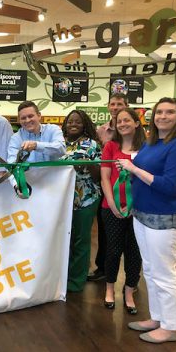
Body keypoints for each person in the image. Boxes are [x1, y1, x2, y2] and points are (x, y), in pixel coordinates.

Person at [119, 97, 176, 344]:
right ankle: (158, 318)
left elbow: (170, 185)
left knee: (164, 272)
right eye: (159, 112)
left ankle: (172, 327)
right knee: (150, 270)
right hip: (142, 215)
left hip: (166, 218)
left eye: (170, 112)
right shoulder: (153, 143)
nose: (163, 116)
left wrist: (133, 169)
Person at [100, 108, 145, 314]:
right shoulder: (110, 146)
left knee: (134, 253)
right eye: (119, 121)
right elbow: (105, 177)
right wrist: (112, 203)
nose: (122, 124)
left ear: (137, 123)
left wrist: (133, 205)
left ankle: (129, 291)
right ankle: (109, 289)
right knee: (113, 251)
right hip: (112, 209)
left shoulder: (146, 148)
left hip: (139, 210)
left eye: (127, 120)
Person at [88, 93, 129, 282]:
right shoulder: (100, 131)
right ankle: (102, 268)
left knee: (128, 236)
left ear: (126, 105)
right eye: (112, 104)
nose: (115, 107)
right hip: (103, 185)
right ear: (108, 107)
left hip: (127, 188)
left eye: (119, 104)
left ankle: (129, 275)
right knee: (104, 229)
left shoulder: (132, 132)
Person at [61, 109, 102, 292]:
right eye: (70, 122)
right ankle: (63, 276)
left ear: (84, 124)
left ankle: (77, 281)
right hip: (62, 199)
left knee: (80, 239)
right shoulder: (59, 143)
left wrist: (87, 164)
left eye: (77, 122)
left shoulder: (91, 144)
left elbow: (99, 174)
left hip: (86, 198)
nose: (73, 125)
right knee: (64, 240)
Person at [7, 100, 65, 193]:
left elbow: (61, 149)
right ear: (19, 120)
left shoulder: (53, 129)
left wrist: (36, 145)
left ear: (39, 115)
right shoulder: (15, 138)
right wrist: (18, 185)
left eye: (30, 116)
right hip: (29, 188)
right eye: (23, 118)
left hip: (54, 187)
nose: (27, 120)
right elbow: (12, 164)